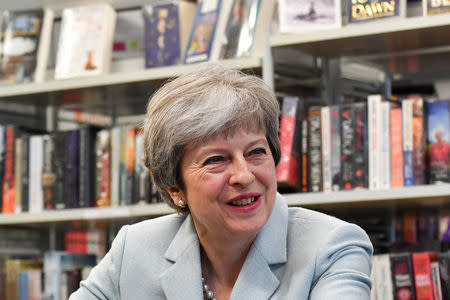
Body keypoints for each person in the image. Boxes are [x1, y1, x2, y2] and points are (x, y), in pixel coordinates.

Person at [69, 65, 373, 299]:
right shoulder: (135, 248)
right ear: (175, 188)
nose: (244, 175)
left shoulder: (332, 247)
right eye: (216, 160)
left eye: (256, 152)